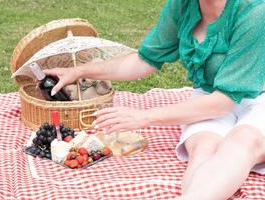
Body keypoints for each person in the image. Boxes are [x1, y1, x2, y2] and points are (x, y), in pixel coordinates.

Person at [44, 0, 265, 199]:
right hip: (208, 96)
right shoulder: (182, 6)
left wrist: (144, 116)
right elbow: (143, 60)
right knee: (204, 148)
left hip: (257, 97)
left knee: (243, 140)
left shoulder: (254, 12)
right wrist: (80, 71)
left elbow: (225, 101)